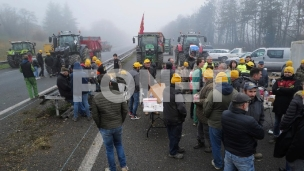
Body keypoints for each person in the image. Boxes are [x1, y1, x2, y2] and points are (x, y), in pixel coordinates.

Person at [91, 74, 129, 171]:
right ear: (110, 83)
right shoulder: (118, 93)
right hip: (118, 125)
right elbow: (125, 110)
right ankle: (124, 166)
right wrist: (121, 121)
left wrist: (100, 125)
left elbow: (95, 115)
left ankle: (112, 169)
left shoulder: (96, 98)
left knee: (109, 149)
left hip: (105, 127)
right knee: (119, 145)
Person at [222, 93, 264, 171]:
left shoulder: (225, 114)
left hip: (229, 152)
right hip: (243, 155)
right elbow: (261, 135)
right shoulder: (249, 121)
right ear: (244, 105)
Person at [204, 72, 238, 169]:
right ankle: (229, 163)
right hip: (230, 123)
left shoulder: (215, 93)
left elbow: (207, 109)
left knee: (216, 145)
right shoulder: (235, 92)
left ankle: (218, 164)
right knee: (229, 145)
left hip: (215, 123)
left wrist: (208, 117)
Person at [269, 66, 302, 143]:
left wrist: (280, 89)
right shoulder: (278, 80)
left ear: (292, 73)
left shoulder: (296, 81)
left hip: (291, 105)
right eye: (286, 72)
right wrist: (288, 90)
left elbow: (294, 91)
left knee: (289, 121)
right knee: (277, 122)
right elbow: (274, 90)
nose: (287, 73)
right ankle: (276, 136)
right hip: (279, 104)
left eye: (289, 72)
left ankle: (286, 136)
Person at [276, 90, 304, 171]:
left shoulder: (296, 100)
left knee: (291, 153)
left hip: (293, 129)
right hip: (295, 128)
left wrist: (282, 127)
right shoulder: (297, 100)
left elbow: (288, 116)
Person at [163, 73, 187, 159]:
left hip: (167, 116)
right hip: (175, 119)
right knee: (176, 135)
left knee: (171, 134)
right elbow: (181, 108)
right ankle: (173, 152)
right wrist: (184, 115)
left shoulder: (165, 89)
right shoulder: (178, 94)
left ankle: (175, 147)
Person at [243, 81, 265, 160]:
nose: (253, 94)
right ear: (244, 91)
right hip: (243, 129)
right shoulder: (239, 101)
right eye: (250, 91)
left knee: (254, 142)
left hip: (255, 127)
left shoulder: (259, 101)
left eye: (255, 91)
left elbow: (262, 115)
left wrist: (259, 126)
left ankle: (253, 152)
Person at [194, 69, 213, 153]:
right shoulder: (207, 84)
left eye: (203, 77)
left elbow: (208, 101)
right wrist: (197, 94)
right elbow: (202, 92)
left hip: (205, 113)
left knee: (206, 131)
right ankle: (201, 142)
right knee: (200, 129)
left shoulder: (211, 86)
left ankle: (208, 146)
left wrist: (197, 101)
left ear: (206, 78)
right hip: (201, 113)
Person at [192, 57, 205, 126]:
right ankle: (195, 120)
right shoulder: (198, 71)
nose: (204, 63)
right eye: (203, 62)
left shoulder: (197, 70)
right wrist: (199, 91)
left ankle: (195, 119)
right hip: (196, 90)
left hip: (195, 89)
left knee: (195, 104)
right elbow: (197, 82)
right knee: (196, 105)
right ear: (199, 63)